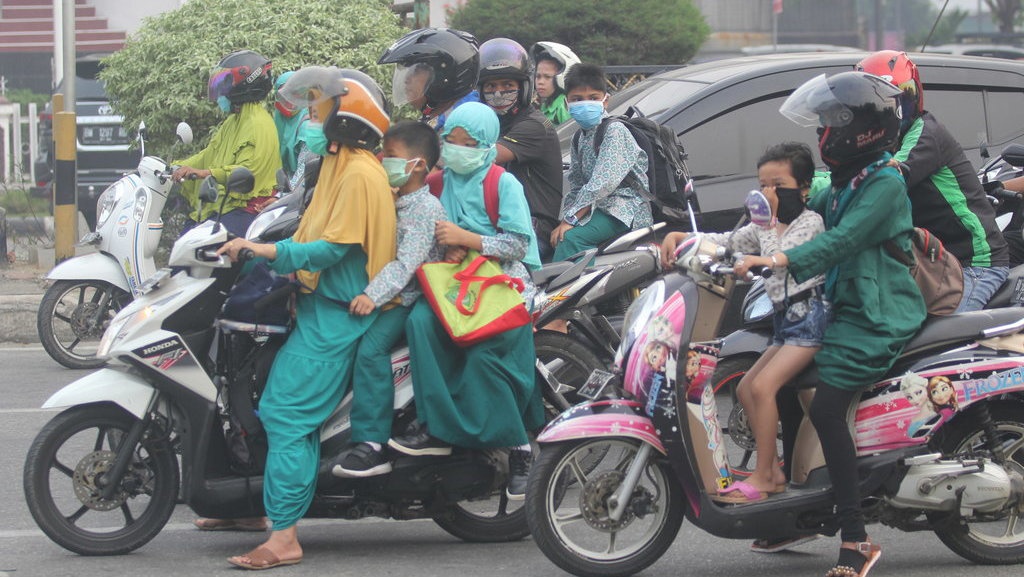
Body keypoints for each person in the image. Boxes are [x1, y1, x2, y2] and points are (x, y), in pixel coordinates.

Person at [735, 71, 927, 577]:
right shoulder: (844, 183)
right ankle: (799, 511)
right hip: (845, 306)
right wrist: (706, 242)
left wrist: (777, 264)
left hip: (877, 314)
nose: (822, 135)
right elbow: (791, 213)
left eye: (828, 124)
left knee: (826, 409)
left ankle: (856, 536)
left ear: (857, 129)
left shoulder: (883, 185)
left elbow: (839, 243)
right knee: (779, 386)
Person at [216, 67, 396, 570]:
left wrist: (263, 250)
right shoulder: (336, 167)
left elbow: (327, 250)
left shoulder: (359, 173)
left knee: (285, 415)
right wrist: (262, 247)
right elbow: (305, 230)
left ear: (347, 119)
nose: (311, 118)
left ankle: (284, 538)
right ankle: (260, 512)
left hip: (339, 318)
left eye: (320, 110)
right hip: (319, 308)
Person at [388, 102, 544, 500]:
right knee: (420, 323)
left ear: (488, 145)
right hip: (451, 281)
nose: (457, 148)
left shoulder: (501, 183)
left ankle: (520, 448)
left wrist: (469, 240)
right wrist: (450, 249)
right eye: (451, 141)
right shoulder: (438, 182)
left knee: (483, 354)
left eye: (467, 143)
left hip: (498, 280)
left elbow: (518, 244)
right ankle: (433, 424)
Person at [662, 142, 828, 503]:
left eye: (777, 185)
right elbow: (728, 242)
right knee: (744, 389)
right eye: (762, 184)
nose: (767, 192)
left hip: (808, 322)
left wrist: (756, 256)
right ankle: (772, 471)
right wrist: (685, 238)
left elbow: (780, 257)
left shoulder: (809, 222)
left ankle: (765, 474)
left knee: (763, 388)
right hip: (783, 323)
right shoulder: (765, 225)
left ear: (802, 188)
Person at [329, 121, 448, 477]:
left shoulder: (425, 210)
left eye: (391, 156)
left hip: (409, 297)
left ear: (418, 165)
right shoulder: (392, 199)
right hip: (391, 291)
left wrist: (372, 296)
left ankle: (372, 442)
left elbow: (406, 265)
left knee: (370, 350)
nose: (384, 162)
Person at [856, 50, 1009, 311]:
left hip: (973, 264)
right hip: (930, 265)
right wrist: (803, 187)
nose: (888, 114)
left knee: (945, 337)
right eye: (878, 106)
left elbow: (887, 176)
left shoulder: (925, 133)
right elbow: (843, 173)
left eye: (896, 102)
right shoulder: (877, 144)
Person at [173, 50, 282, 236]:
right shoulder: (233, 121)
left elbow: (248, 169)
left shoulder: (258, 124)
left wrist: (205, 173)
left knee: (201, 246)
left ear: (244, 86)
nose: (221, 92)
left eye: (226, 83)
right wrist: (175, 167)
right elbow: (209, 154)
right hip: (227, 205)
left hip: (246, 207)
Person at [553, 62, 652, 262]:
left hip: (624, 210)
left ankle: (575, 292)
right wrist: (566, 218)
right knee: (560, 235)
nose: (585, 104)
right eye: (577, 99)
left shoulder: (614, 130)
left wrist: (570, 219)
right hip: (599, 209)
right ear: (567, 103)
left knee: (572, 239)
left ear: (605, 101)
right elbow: (577, 185)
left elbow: (603, 183)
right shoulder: (579, 137)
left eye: (593, 98)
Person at [477, 37, 564, 262]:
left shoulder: (534, 125)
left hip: (532, 230)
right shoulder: (495, 123)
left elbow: (482, 157)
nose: (498, 93)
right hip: (500, 224)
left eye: (508, 85)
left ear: (523, 87)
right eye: (491, 86)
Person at [378, 27, 480, 121]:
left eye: (416, 70)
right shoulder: (440, 120)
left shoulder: (463, 128)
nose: (407, 79)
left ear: (442, 77)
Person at [530, 41, 581, 126]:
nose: (540, 82)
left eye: (547, 77)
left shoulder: (564, 106)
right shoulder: (547, 105)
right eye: (538, 76)